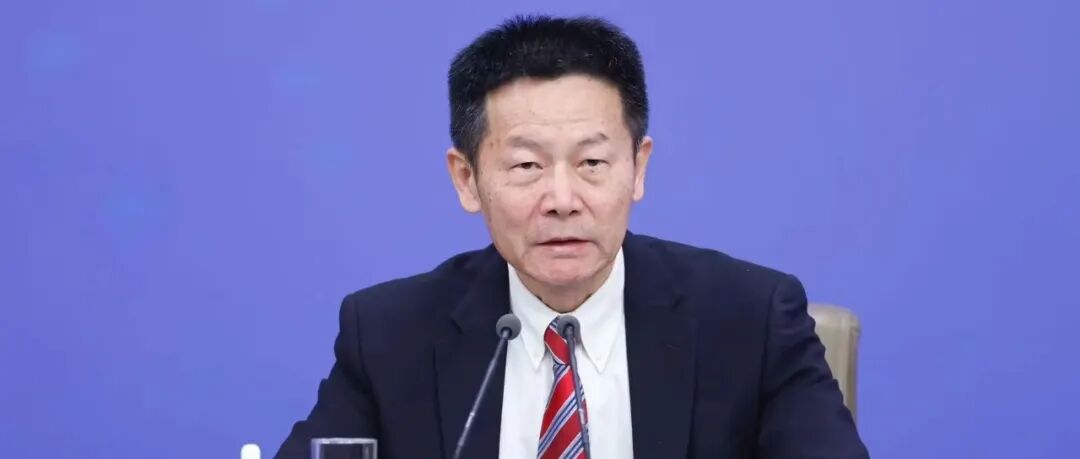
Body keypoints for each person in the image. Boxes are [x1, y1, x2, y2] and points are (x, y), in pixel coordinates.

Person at [275, 15, 868, 459]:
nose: (562, 199)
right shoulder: (389, 336)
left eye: (591, 163)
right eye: (527, 165)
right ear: (467, 179)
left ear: (638, 168)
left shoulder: (751, 322)